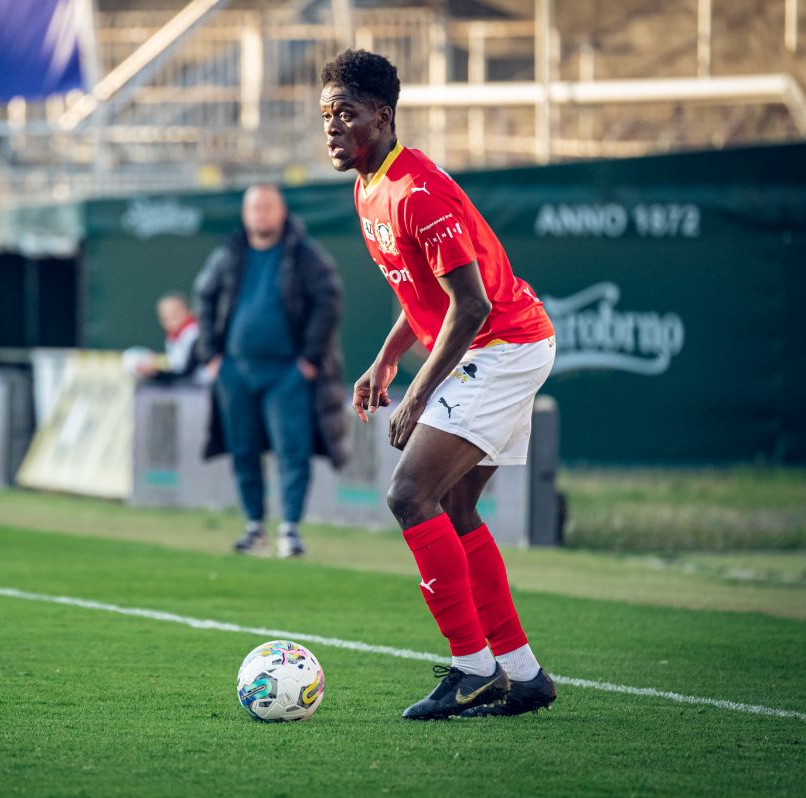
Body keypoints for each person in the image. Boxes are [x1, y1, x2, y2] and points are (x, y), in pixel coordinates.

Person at [319, 50, 558, 720]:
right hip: (495, 344)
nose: (332, 127)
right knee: (452, 507)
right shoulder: (369, 186)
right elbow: (422, 294)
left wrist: (419, 394)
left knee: (409, 495)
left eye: (346, 113)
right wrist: (386, 359)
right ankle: (522, 674)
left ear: (382, 116)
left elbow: (472, 305)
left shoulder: (418, 193)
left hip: (502, 345)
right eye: (327, 115)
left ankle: (473, 669)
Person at [194, 184, 345, 558]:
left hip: (287, 373)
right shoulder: (229, 253)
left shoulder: (304, 254)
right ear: (245, 214)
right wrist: (211, 355)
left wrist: (309, 359)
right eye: (255, 207)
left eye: (268, 206)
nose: (261, 214)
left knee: (292, 450)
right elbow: (204, 296)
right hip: (236, 371)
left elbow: (329, 300)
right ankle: (254, 527)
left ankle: (290, 529)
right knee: (243, 450)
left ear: (282, 212)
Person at [134, 292, 203, 384]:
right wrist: (152, 368)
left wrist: (156, 371)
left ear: (187, 310)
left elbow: (186, 373)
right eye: (165, 317)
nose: (170, 321)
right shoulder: (172, 336)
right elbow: (174, 365)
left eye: (174, 314)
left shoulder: (195, 333)